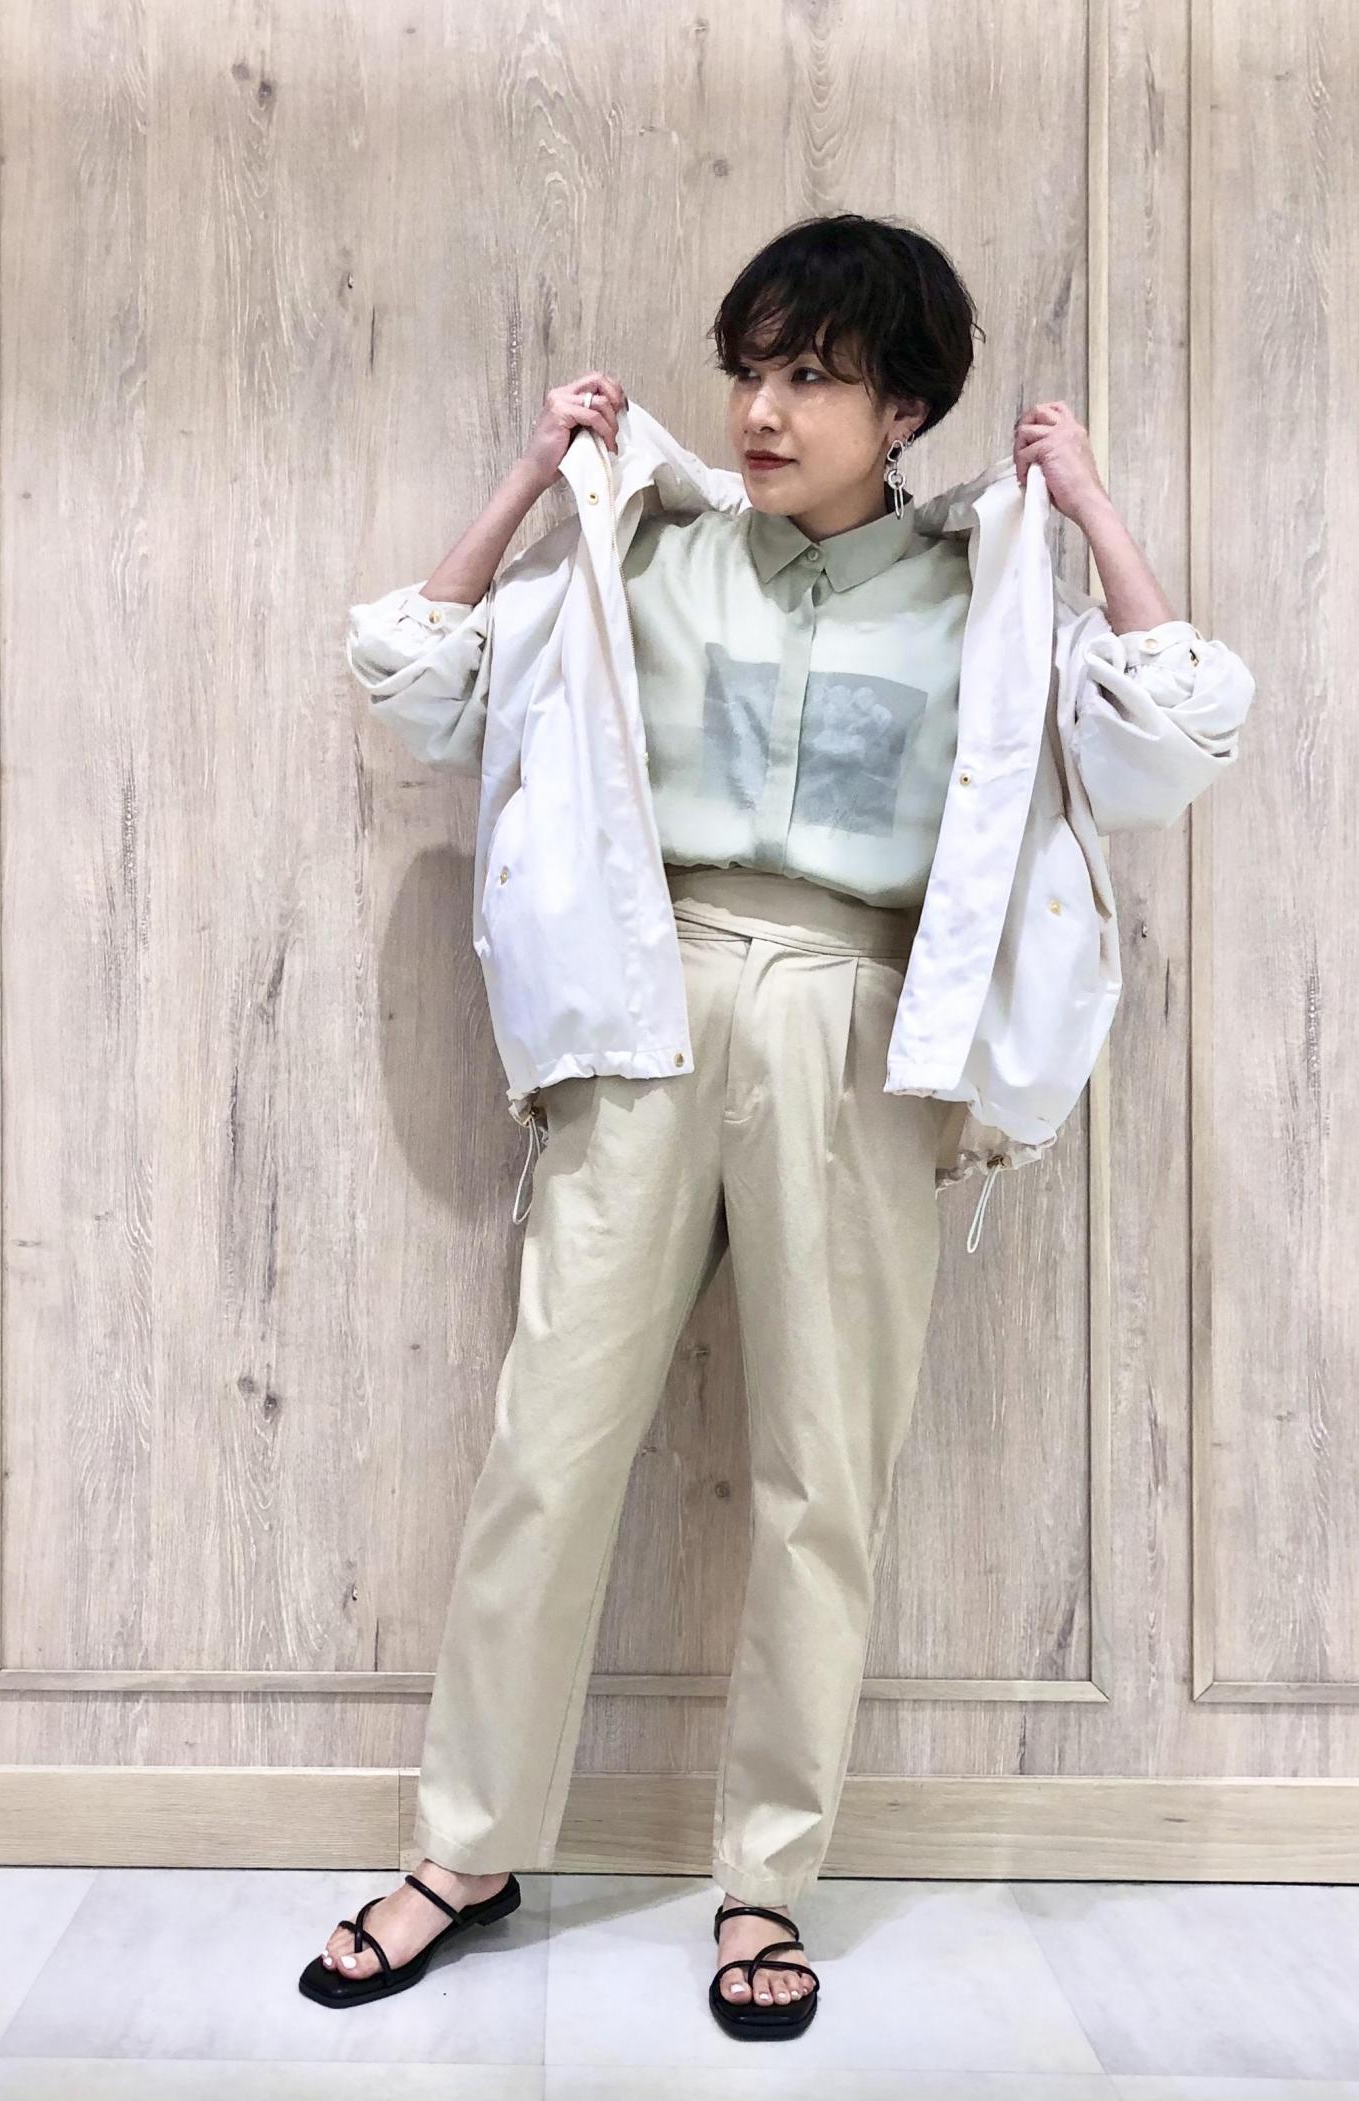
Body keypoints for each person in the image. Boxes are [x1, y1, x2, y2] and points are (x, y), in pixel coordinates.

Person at [302, 213, 1222, 2038]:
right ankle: (466, 1850)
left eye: (814, 375)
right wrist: (528, 477)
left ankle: (767, 1883)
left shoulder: (983, 590)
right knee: (549, 1447)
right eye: (751, 368)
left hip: (861, 1026)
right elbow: (418, 682)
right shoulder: (649, 549)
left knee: (823, 1479)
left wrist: (1094, 507)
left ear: (907, 409)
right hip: (643, 1009)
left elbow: (1169, 741)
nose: (763, 410)